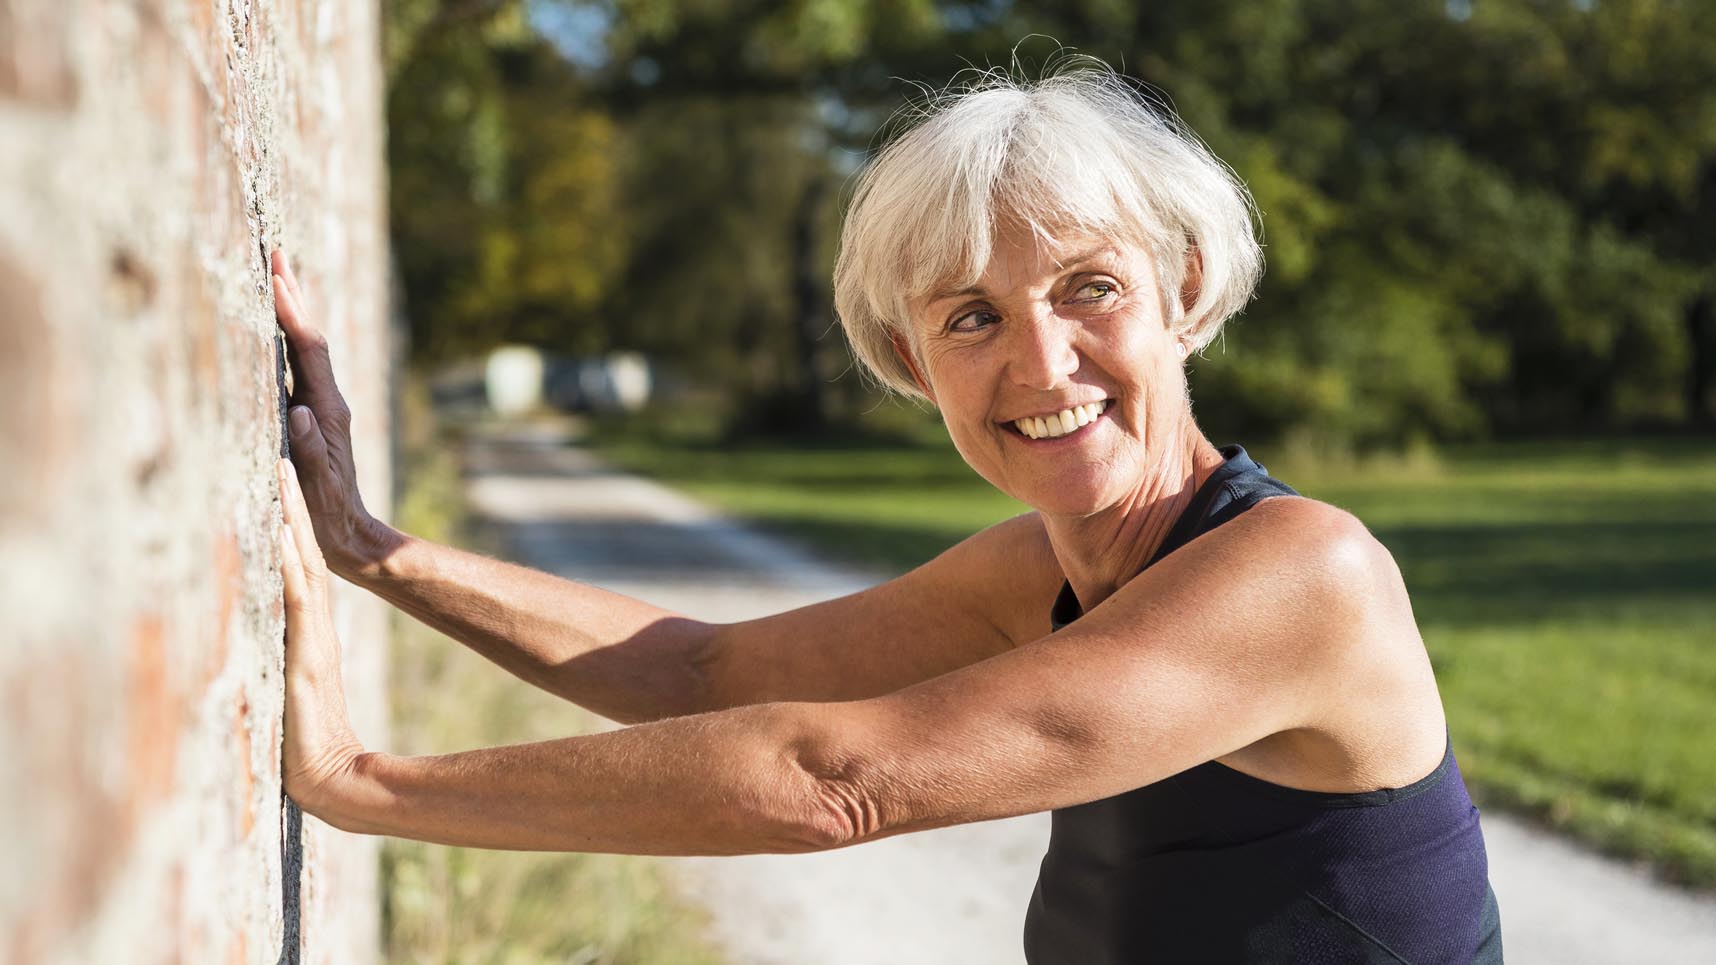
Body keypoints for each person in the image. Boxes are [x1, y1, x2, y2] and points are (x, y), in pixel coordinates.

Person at [272, 62, 1503, 963]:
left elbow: (832, 778)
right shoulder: (1037, 576)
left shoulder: (1305, 573)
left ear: (1181, 293)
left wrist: (362, 782)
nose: (1042, 360)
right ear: (915, 363)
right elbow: (707, 672)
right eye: (971, 316)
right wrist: (377, 553)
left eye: (1091, 288)